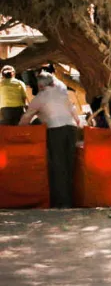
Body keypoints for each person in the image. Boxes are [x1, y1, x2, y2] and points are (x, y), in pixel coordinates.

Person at [20, 72, 79, 208]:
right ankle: (71, 200)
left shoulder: (40, 97)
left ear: (40, 85)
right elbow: (73, 111)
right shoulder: (62, 93)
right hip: (71, 128)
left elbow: (27, 117)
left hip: (55, 129)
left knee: (58, 166)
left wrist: (19, 129)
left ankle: (61, 202)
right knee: (69, 164)